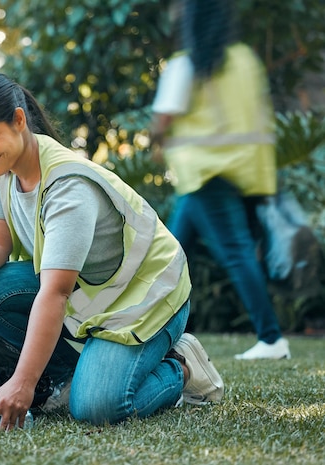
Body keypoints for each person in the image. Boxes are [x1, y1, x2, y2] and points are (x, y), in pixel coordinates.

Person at [0, 72, 224, 429]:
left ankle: (180, 364)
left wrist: (23, 383)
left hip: (145, 300)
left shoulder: (68, 187)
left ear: (19, 121)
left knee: (97, 409)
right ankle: (72, 377)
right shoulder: (1, 168)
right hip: (90, 293)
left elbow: (55, 292)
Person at [150, 0, 290, 360]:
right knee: (170, 252)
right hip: (241, 170)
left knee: (228, 252)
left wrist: (157, 142)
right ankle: (147, 330)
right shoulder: (244, 59)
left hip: (204, 174)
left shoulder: (186, 65)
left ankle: (272, 339)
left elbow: (163, 119)